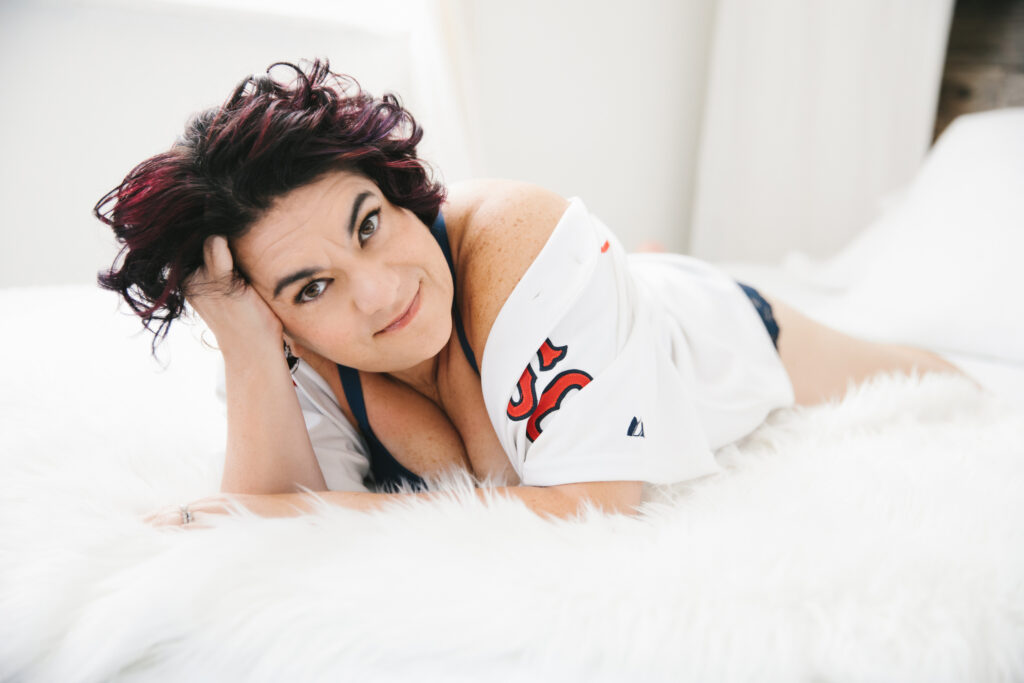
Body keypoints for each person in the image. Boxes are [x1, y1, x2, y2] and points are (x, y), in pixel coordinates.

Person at [95, 60, 964, 528]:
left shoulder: (518, 232)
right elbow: (259, 520)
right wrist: (247, 344)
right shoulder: (283, 344)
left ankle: (641, 270)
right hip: (583, 312)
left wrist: (304, 513)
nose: (382, 288)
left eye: (368, 223)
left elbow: (596, 502)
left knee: (931, 376)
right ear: (278, 313)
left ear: (398, 191)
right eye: (314, 286)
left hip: (715, 330)